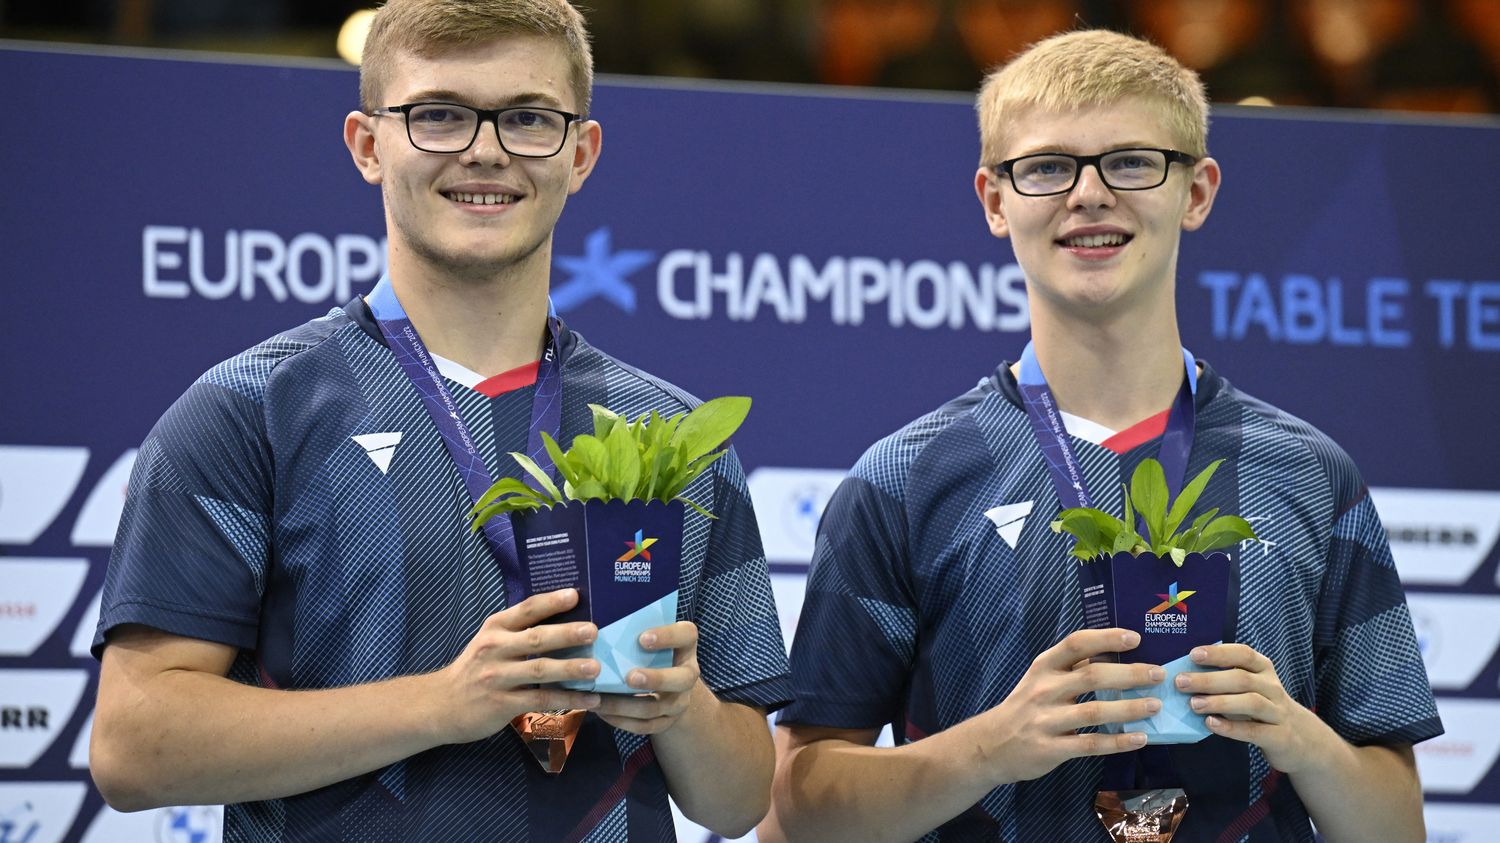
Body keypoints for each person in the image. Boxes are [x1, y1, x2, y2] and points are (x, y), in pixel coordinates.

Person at [87, 1, 790, 840]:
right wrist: (445, 702)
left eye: (528, 117)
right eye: (440, 116)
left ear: (582, 152)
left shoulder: (670, 432)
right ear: (368, 144)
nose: (485, 149)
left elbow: (741, 796)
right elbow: (132, 747)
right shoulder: (251, 410)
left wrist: (682, 711)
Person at [761, 29, 1440, 843]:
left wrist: (1302, 740)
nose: (1088, 195)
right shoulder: (906, 478)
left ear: (1197, 191)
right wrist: (992, 747)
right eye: (1047, 167)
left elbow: (1398, 827)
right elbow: (794, 816)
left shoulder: (1309, 473)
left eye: (1130, 161)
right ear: (993, 199)